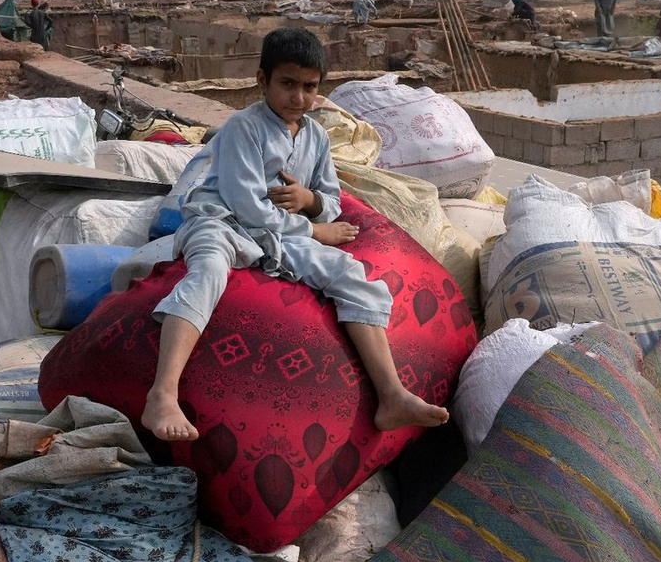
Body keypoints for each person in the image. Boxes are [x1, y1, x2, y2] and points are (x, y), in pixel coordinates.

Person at [140, 27, 449, 443]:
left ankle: (391, 395)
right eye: (287, 84)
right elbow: (245, 205)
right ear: (262, 80)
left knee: (350, 274)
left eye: (309, 87)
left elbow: (333, 200)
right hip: (221, 221)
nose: (298, 98)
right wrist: (314, 229)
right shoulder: (242, 128)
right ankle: (162, 394)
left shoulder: (316, 136)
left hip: (281, 236)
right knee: (208, 270)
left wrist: (309, 200)